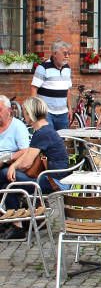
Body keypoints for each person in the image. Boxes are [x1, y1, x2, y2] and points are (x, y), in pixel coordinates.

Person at [0, 97, 68, 240]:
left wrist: (12, 166)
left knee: (5, 173)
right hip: (52, 177)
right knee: (8, 185)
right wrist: (14, 165)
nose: (23, 115)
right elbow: (27, 157)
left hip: (54, 180)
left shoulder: (42, 132)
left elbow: (26, 162)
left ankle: (14, 222)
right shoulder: (45, 129)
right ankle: (17, 226)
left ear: (30, 114)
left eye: (24, 112)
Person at [30, 39, 72, 131]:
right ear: (55, 54)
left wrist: (69, 108)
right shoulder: (43, 68)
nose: (67, 56)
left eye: (69, 53)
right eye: (64, 53)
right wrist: (34, 110)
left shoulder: (67, 68)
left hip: (63, 114)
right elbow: (34, 89)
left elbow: (68, 90)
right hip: (46, 113)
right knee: (47, 140)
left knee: (62, 142)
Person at [0, 95, 30, 159]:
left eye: (0, 110)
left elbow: (24, 151)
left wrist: (3, 159)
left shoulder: (18, 126)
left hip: (9, 163)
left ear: (8, 110)